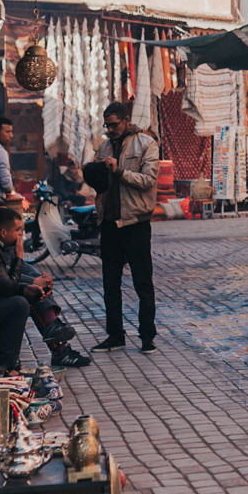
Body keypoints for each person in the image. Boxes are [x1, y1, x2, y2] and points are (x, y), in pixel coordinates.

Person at [0, 206, 93, 372]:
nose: (21, 235)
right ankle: (6, 366)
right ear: (3, 233)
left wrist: (29, 288)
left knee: (27, 295)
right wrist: (20, 258)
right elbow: (6, 287)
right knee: (19, 304)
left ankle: (53, 346)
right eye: (18, 230)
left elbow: (2, 282)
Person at [86, 101, 161, 355]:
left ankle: (147, 336)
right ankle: (115, 336)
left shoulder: (146, 144)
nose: (110, 130)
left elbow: (149, 181)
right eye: (107, 126)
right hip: (109, 223)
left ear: (126, 120)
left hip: (135, 223)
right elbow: (99, 182)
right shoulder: (105, 146)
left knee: (143, 283)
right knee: (110, 284)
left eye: (114, 124)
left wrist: (120, 172)